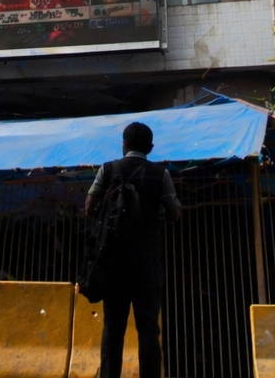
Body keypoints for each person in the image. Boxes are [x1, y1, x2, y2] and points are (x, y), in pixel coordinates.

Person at [84, 121, 182, 378]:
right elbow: (174, 213)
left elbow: (89, 207)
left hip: (114, 263)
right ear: (151, 147)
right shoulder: (161, 174)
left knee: (113, 327)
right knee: (148, 329)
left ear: (124, 144)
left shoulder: (107, 169)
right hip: (147, 263)